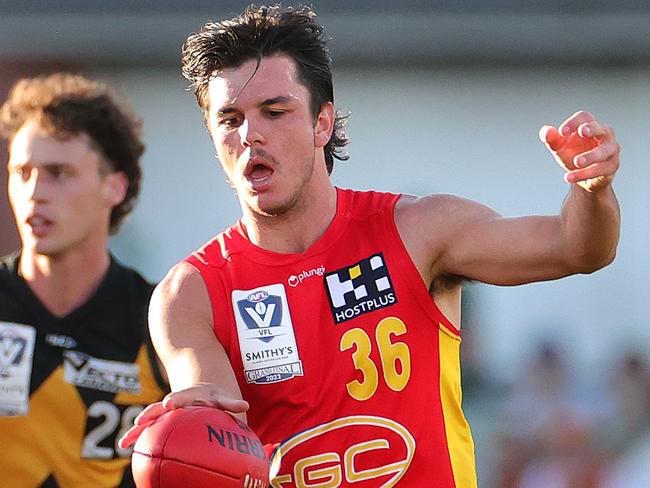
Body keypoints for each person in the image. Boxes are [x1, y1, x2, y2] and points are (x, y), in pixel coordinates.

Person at [119, 4, 621, 487]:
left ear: (323, 122)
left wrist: (591, 189)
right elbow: (218, 430)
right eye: (229, 119)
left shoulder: (418, 228)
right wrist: (182, 438)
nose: (251, 135)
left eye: (274, 111)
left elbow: (576, 247)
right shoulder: (190, 293)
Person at [0, 73, 167, 487]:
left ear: (115, 186)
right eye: (22, 171)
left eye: (58, 172)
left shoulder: (162, 319)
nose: (35, 192)